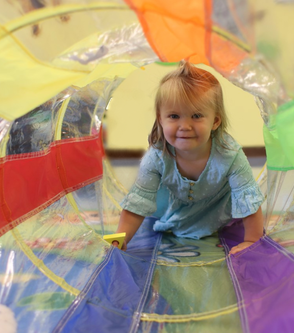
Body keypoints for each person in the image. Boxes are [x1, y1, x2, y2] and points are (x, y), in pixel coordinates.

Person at [112, 60, 265, 255]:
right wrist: (119, 238)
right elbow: (138, 200)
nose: (185, 126)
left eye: (196, 116)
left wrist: (252, 240)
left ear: (215, 121)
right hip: (177, 212)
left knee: (240, 218)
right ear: (160, 119)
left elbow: (247, 198)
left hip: (221, 214)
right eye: (174, 116)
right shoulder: (157, 156)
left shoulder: (230, 155)